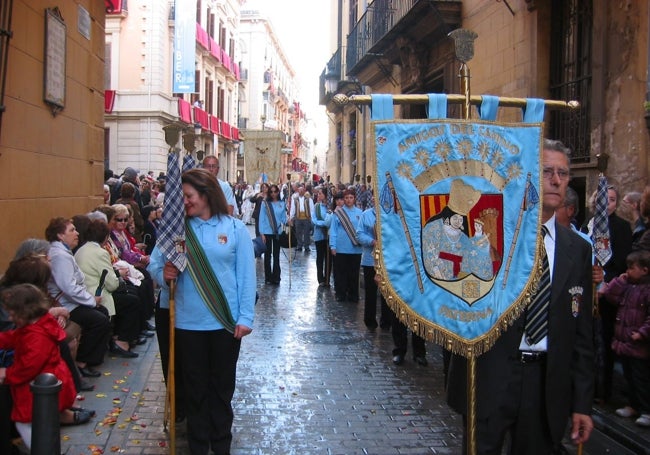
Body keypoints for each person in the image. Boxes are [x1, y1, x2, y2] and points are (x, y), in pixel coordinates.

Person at [446, 138, 594, 454]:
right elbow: (454, 295)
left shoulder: (579, 250)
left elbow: (582, 335)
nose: (556, 180)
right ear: (526, 173)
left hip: (545, 386)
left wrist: (582, 402)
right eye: (546, 171)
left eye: (563, 173)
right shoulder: (489, 234)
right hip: (491, 376)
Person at [148, 168, 256, 454]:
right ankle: (197, 447)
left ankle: (221, 446)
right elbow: (154, 266)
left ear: (206, 194)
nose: (183, 202)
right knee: (194, 392)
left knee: (221, 392)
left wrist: (245, 317)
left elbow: (246, 275)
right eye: (182, 196)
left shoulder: (234, 229)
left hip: (224, 323)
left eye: (188, 196)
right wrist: (164, 274)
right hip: (187, 325)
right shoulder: (176, 229)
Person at [0, 284, 92, 448]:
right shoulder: (38, 325)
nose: (9, 318)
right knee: (43, 422)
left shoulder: (36, 335)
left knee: (26, 423)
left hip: (36, 387)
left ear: (24, 312)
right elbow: (14, 338)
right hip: (46, 381)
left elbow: (28, 367)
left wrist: (7, 373)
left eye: (12, 313)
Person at [583, 184, 632, 402]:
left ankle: (605, 389)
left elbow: (622, 260)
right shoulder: (588, 223)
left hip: (608, 291)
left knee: (606, 338)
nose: (608, 203)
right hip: (587, 289)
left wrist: (605, 283)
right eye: (604, 199)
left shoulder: (621, 227)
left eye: (612, 199)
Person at [46, 217, 111, 378]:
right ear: (60, 236)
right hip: (67, 305)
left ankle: (88, 359)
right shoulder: (60, 256)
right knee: (99, 320)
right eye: (71, 230)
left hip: (71, 302)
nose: (76, 233)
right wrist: (90, 301)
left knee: (103, 313)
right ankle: (82, 361)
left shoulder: (63, 252)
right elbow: (68, 286)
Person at [74, 219, 141, 358]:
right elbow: (112, 284)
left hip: (88, 290)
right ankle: (122, 341)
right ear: (105, 237)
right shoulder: (100, 253)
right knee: (131, 301)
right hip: (97, 294)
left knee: (129, 295)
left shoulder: (81, 250)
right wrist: (120, 275)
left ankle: (120, 337)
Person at [599, 250, 650, 427]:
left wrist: (642, 333)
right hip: (625, 341)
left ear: (644, 270)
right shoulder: (628, 286)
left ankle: (645, 409)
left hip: (638, 343)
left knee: (640, 377)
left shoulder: (646, 291)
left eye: (632, 268)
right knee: (629, 376)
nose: (628, 271)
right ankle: (633, 405)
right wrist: (620, 281)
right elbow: (611, 296)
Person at [356, 199, 391, 329]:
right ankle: (370, 321)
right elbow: (359, 234)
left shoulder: (390, 215)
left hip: (387, 260)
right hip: (370, 260)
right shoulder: (366, 215)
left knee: (387, 292)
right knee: (370, 292)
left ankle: (386, 321)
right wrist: (372, 241)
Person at [329, 189, 363, 303]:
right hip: (341, 248)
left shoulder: (360, 213)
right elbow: (333, 230)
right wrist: (333, 246)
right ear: (344, 199)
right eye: (346, 198)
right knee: (340, 273)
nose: (349, 200)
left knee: (354, 273)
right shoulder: (338, 213)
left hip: (355, 249)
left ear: (354, 199)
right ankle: (340, 294)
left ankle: (353, 295)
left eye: (351, 198)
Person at [258, 184, 287, 285]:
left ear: (278, 192)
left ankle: (276, 276)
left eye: (275, 192)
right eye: (271, 192)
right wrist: (261, 233)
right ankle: (268, 277)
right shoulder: (265, 204)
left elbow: (283, 218)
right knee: (267, 255)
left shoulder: (282, 204)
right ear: (269, 193)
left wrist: (288, 221)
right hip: (267, 232)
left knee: (276, 255)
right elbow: (261, 218)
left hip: (277, 232)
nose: (273, 194)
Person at [311, 186, 332, 286]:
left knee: (328, 258)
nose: (318, 195)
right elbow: (314, 219)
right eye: (318, 194)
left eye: (320, 193)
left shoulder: (330, 207)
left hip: (328, 236)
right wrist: (323, 223)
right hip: (319, 235)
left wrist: (326, 223)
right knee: (320, 257)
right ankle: (321, 279)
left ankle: (327, 278)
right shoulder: (317, 206)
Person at [289, 184, 314, 252]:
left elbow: (312, 209)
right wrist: (291, 217)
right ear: (298, 191)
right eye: (300, 191)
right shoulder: (295, 199)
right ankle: (299, 245)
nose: (301, 192)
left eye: (302, 190)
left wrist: (311, 217)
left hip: (306, 217)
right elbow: (292, 209)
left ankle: (306, 246)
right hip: (298, 217)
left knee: (306, 233)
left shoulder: (309, 199)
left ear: (304, 191)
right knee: (298, 232)